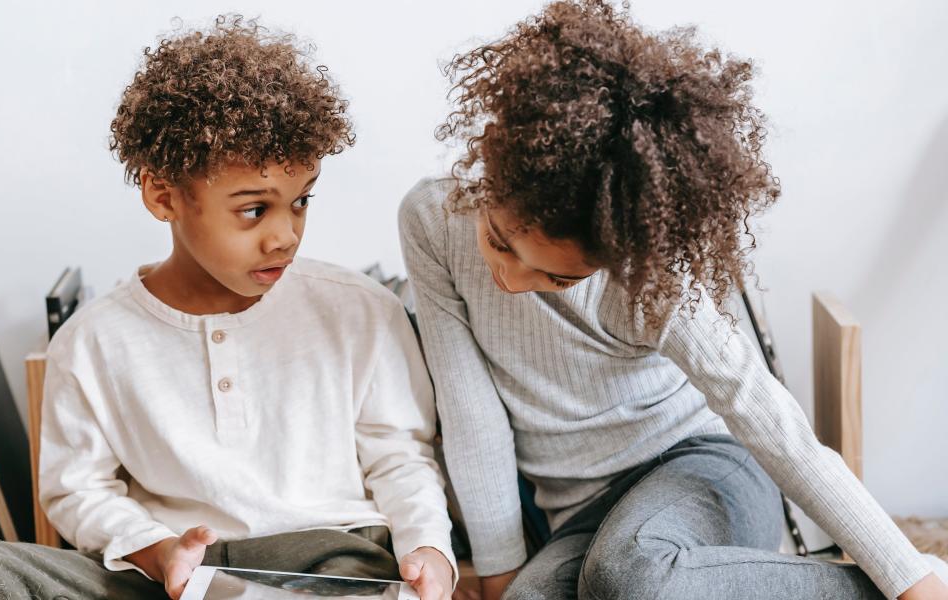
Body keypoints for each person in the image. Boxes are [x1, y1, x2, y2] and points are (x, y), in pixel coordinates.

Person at [399, 2, 948, 598]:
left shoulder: (648, 276)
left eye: (557, 279)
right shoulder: (432, 220)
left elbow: (762, 413)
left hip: (705, 467)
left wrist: (907, 576)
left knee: (632, 576)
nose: (508, 279)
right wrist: (502, 572)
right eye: (499, 242)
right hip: (581, 515)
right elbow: (469, 408)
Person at [0, 16, 455, 600]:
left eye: (300, 201)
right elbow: (78, 490)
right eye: (254, 209)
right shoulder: (91, 341)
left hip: (329, 566)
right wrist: (158, 553)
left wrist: (428, 551)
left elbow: (402, 460)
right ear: (163, 196)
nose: (284, 235)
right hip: (173, 575)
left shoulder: (360, 310)